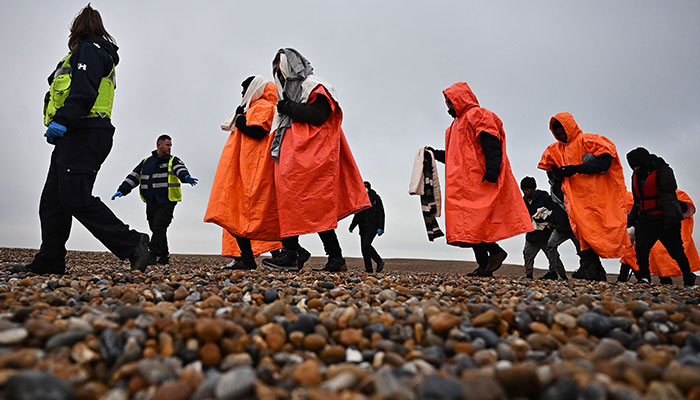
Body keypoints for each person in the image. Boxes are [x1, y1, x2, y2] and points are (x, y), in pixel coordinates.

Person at [16, 5, 151, 275]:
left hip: (86, 131)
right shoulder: (83, 53)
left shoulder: (90, 50)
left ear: (77, 30)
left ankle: (133, 243)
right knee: (53, 200)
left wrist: (62, 120)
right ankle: (50, 260)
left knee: (76, 196)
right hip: (75, 133)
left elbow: (84, 91)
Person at [263, 48, 370, 272]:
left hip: (314, 157)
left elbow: (321, 114)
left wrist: (288, 108)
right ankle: (296, 254)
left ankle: (326, 257)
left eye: (279, 68)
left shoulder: (314, 85)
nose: (277, 74)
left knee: (315, 206)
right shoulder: (289, 93)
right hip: (295, 158)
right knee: (291, 203)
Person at [429, 82, 532, 277]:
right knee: (469, 226)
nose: (448, 107)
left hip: (480, 180)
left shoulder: (479, 115)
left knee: (476, 224)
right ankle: (484, 266)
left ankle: (494, 252)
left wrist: (492, 169)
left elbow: (490, 141)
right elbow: (454, 155)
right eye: (447, 103)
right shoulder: (453, 127)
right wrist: (435, 154)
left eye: (450, 102)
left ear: (460, 99)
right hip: (461, 185)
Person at [538, 112, 629, 282]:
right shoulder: (556, 150)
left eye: (562, 130)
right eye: (557, 132)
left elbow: (605, 162)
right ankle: (592, 270)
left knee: (597, 231)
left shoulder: (590, 141)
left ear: (570, 127)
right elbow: (552, 174)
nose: (560, 135)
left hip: (597, 197)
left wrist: (576, 168)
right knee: (582, 234)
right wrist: (557, 174)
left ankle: (593, 269)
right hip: (574, 200)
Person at [204, 75, 283, 270]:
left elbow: (257, 132)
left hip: (250, 170)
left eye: (244, 90)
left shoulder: (262, 107)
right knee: (244, 214)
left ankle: (257, 258)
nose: (242, 94)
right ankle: (273, 255)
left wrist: (240, 120)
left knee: (238, 212)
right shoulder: (257, 108)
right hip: (246, 168)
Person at [113, 135, 197, 266]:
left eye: (170, 145)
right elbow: (134, 176)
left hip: (168, 200)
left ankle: (152, 254)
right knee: (155, 228)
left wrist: (186, 177)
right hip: (151, 200)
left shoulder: (173, 160)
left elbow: (180, 170)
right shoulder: (146, 162)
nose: (170, 148)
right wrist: (123, 190)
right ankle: (163, 256)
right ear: (159, 145)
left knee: (160, 226)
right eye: (167, 145)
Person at [626, 148, 696, 286]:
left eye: (637, 164)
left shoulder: (663, 170)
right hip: (645, 220)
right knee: (641, 249)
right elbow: (637, 201)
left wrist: (659, 168)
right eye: (632, 165)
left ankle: (688, 277)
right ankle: (644, 278)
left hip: (666, 220)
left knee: (676, 251)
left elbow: (670, 189)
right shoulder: (635, 175)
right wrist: (632, 220)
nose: (635, 168)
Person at [543, 178, 579, 281]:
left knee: (582, 249)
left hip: (574, 225)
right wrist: (553, 222)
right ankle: (552, 272)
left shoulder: (568, 187)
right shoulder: (554, 189)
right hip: (561, 226)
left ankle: (589, 270)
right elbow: (556, 208)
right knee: (550, 245)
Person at [520, 177, 554, 279]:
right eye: (523, 190)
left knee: (553, 256)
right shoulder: (523, 202)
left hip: (545, 234)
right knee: (527, 254)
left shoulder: (545, 198)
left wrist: (551, 223)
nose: (525, 192)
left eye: (527, 189)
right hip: (532, 235)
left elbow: (554, 211)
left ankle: (559, 275)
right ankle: (528, 275)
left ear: (533, 189)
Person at [349, 181, 386, 273]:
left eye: (366, 187)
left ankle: (379, 261)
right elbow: (357, 214)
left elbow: (381, 213)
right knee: (364, 249)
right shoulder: (360, 199)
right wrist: (352, 226)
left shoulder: (375, 198)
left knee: (366, 245)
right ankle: (368, 269)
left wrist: (381, 227)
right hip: (362, 227)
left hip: (373, 226)